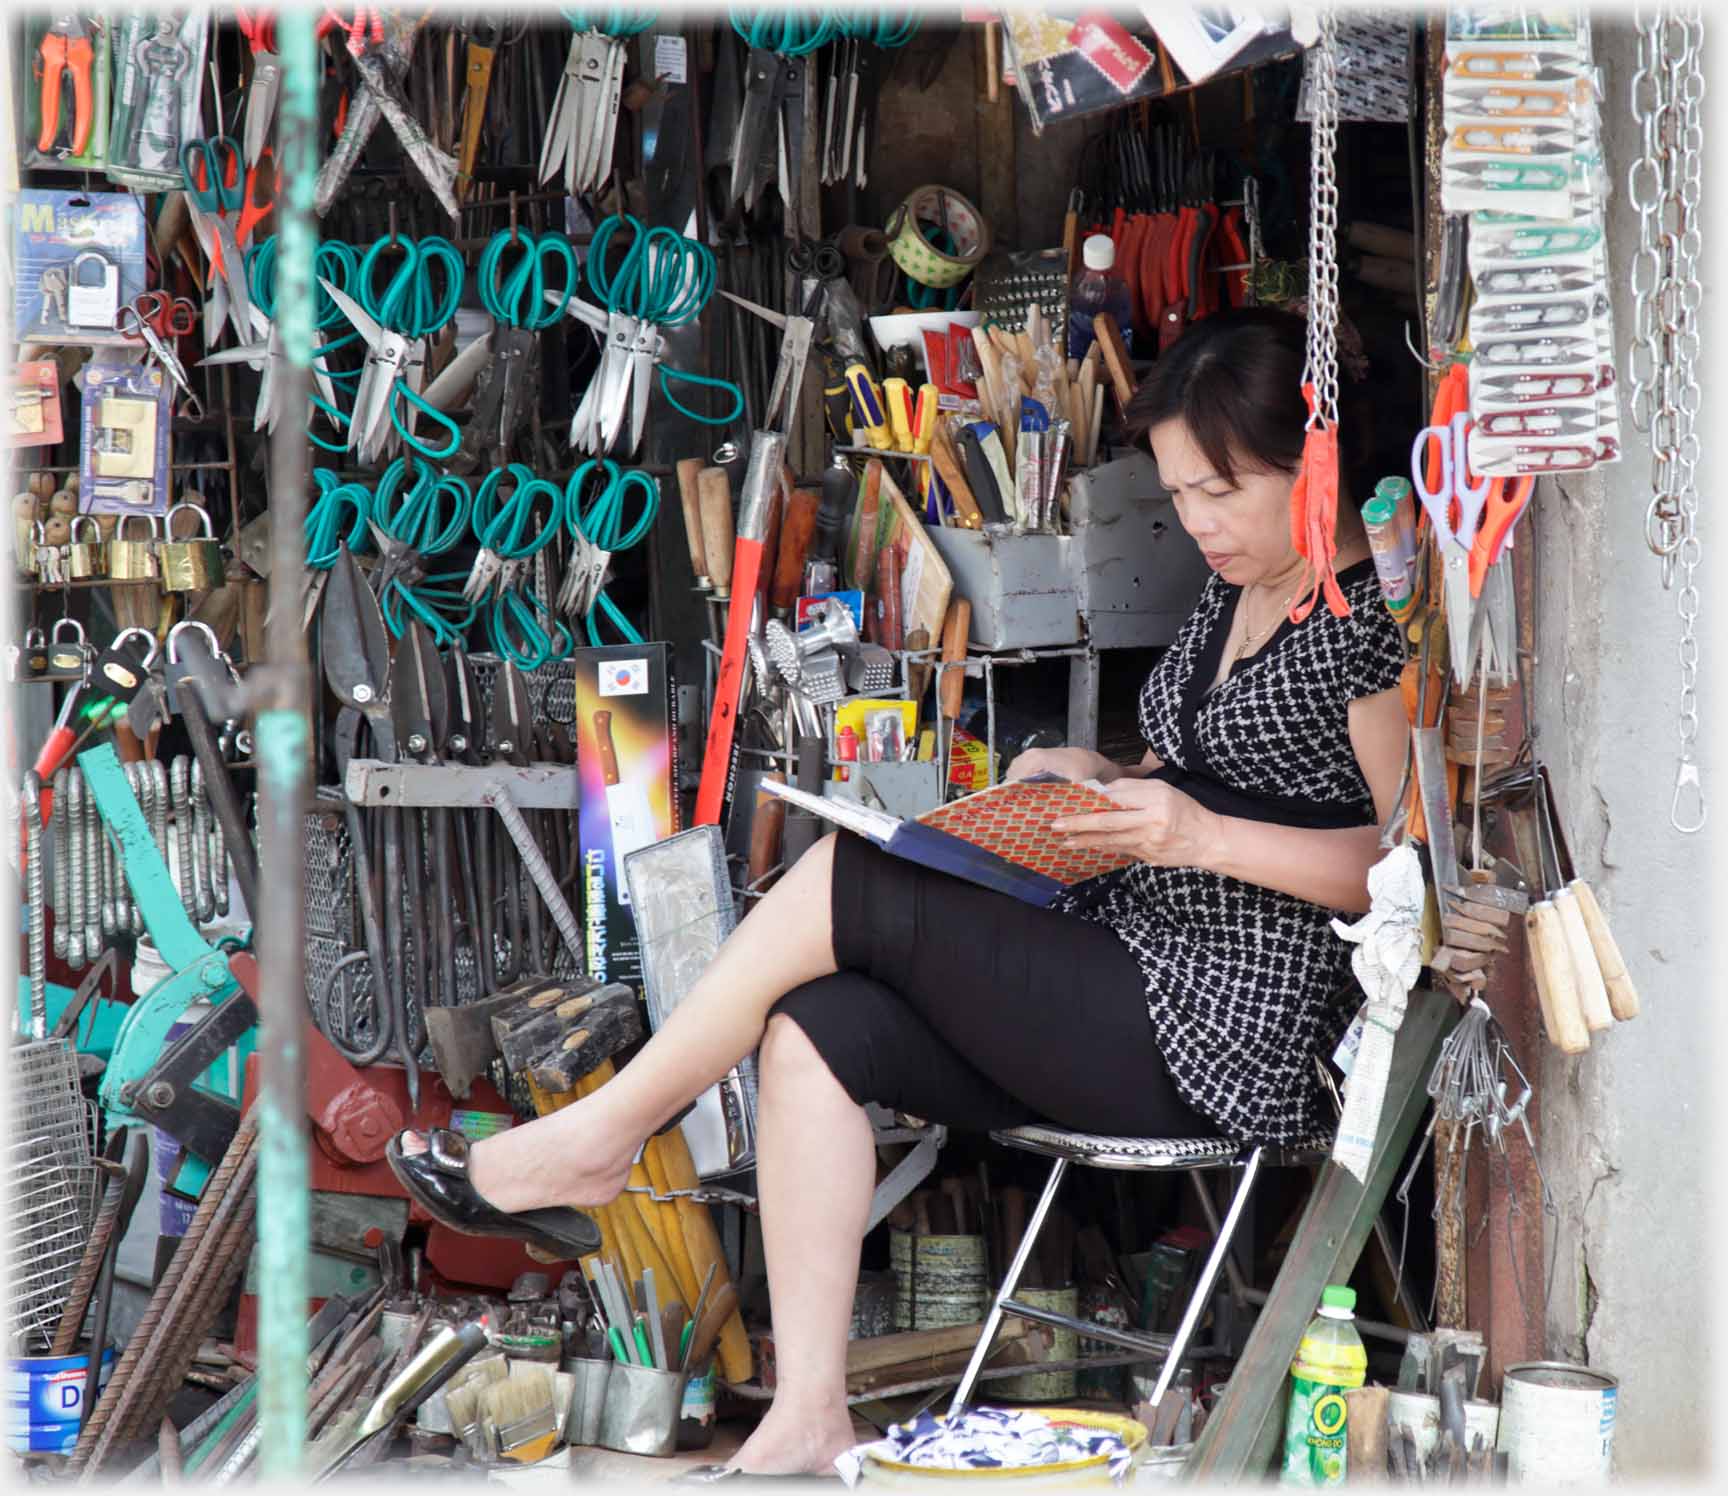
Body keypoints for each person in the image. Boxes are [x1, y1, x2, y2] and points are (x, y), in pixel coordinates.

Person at [386, 309, 1410, 1477]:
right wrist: (1101, 780)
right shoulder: (1233, 598)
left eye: (1223, 489)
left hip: (1233, 1025)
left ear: (1312, 462)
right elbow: (1209, 777)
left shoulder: (1362, 618)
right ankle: (811, 1409)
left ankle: (604, 1133)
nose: (1198, 521)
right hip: (1133, 967)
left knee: (858, 879)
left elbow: (1399, 864)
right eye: (1179, 494)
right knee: (817, 1029)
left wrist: (1201, 832)